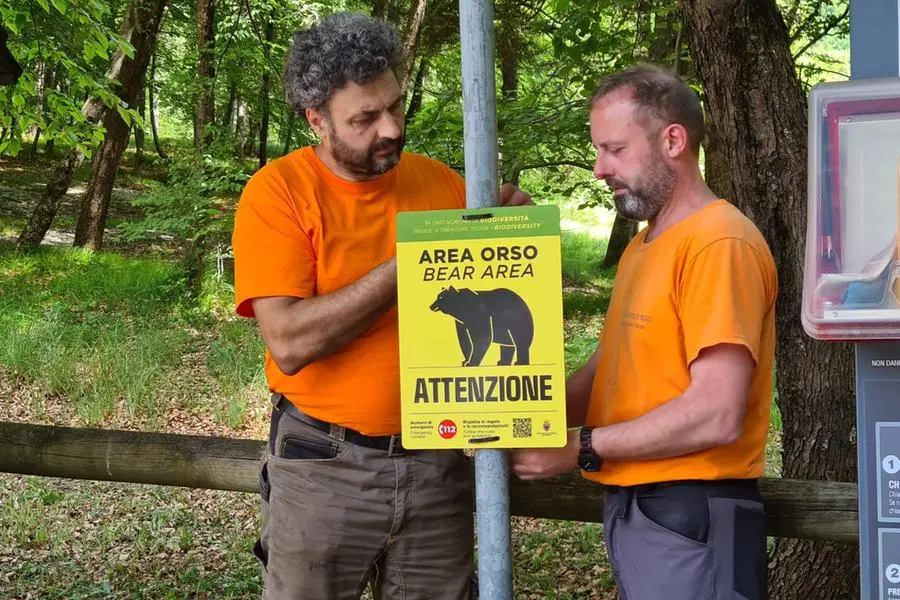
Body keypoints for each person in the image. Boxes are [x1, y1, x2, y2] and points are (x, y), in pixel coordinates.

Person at [231, 11, 531, 600]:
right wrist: (415, 262)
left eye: (394, 106)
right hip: (324, 464)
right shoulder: (278, 193)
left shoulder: (445, 186)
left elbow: (497, 304)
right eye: (365, 118)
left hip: (439, 462)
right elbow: (289, 342)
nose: (390, 128)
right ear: (317, 120)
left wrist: (512, 228)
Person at [510, 64, 777, 600]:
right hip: (645, 509)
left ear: (673, 140)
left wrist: (580, 447)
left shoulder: (719, 244)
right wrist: (508, 419)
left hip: (692, 510)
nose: (597, 168)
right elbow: (604, 372)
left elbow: (716, 412)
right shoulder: (645, 245)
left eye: (614, 149)